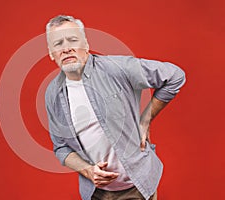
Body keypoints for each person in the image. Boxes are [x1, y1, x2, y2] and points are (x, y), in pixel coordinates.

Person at [44, 15, 185, 200]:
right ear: (51, 53)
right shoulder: (53, 93)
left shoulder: (117, 68)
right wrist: (87, 170)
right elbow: (61, 148)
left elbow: (174, 76)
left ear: (86, 45)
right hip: (95, 193)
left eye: (72, 40)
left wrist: (145, 119)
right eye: (58, 43)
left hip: (137, 187)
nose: (66, 48)